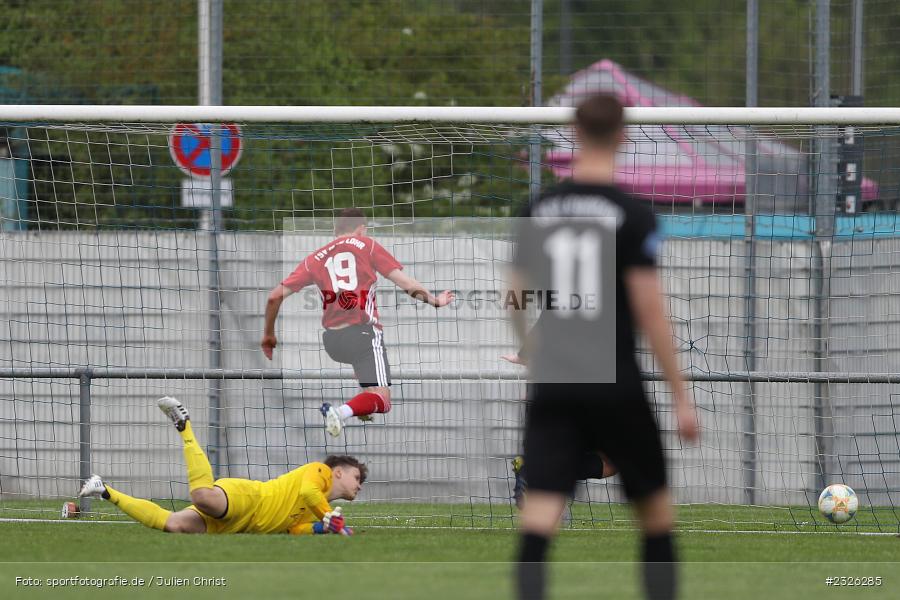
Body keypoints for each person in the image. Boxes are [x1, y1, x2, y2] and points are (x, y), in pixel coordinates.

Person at [509, 94, 700, 600]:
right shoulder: (630, 213)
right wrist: (681, 396)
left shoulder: (539, 208)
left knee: (541, 515)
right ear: (622, 135)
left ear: (573, 132)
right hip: (615, 379)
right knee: (655, 516)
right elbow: (650, 312)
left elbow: (514, 297)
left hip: (554, 381)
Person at [261, 207, 454, 436]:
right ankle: (340, 412)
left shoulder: (314, 258)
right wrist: (435, 300)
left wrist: (269, 335)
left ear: (335, 231)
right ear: (361, 229)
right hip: (363, 335)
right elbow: (406, 284)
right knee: (384, 401)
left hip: (332, 342)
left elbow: (274, 297)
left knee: (369, 392)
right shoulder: (368, 245)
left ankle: (360, 404)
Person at [79, 397, 364, 535]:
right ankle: (185, 427)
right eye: (356, 477)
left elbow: (294, 530)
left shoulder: (318, 507)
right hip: (248, 500)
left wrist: (322, 528)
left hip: (240, 525)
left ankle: (104, 490)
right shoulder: (320, 472)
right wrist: (329, 517)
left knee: (173, 524)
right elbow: (308, 492)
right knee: (201, 496)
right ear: (338, 470)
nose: (359, 484)